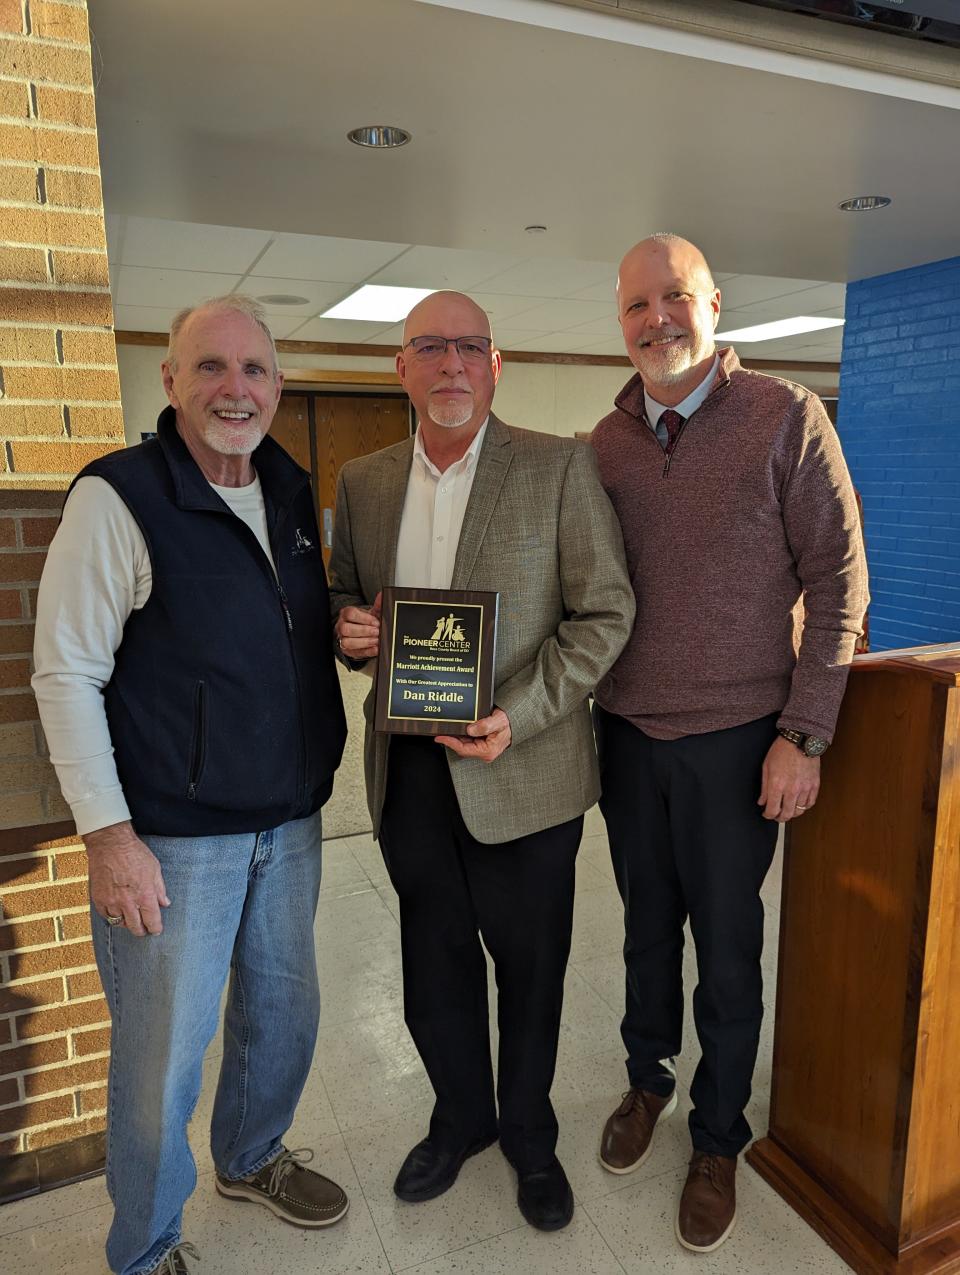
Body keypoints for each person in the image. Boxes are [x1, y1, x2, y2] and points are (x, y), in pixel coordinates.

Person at [32, 297, 349, 1275]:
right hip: (172, 841)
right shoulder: (120, 497)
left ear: (277, 388)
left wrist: (346, 630)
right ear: (170, 382)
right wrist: (108, 837)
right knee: (162, 1060)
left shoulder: (290, 491)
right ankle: (145, 1244)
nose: (234, 389)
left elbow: (283, 625)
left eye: (254, 370)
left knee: (284, 1015)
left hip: (289, 822)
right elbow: (66, 672)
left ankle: (252, 1155)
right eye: (209, 367)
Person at [329, 291, 634, 1232]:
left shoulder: (558, 467)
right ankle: (459, 1117)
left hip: (524, 770)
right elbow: (344, 597)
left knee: (532, 971)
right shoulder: (365, 480)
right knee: (433, 966)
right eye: (431, 347)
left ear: (495, 365)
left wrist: (520, 712)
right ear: (403, 369)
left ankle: (530, 1135)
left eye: (470, 347)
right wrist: (348, 632)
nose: (451, 364)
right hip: (411, 773)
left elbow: (604, 614)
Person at [590, 235, 868, 1253]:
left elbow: (840, 581)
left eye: (675, 299)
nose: (656, 319)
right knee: (643, 929)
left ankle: (717, 1136)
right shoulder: (605, 444)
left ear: (714, 305)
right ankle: (647, 1077)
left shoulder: (786, 417)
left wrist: (805, 733)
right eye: (636, 306)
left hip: (741, 738)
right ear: (618, 322)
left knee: (730, 948)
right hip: (627, 734)